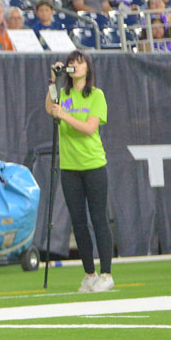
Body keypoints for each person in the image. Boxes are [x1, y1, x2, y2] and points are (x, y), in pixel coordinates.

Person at [43, 51, 114, 293]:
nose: (75, 66)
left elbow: (89, 128)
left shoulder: (96, 95)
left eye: (79, 62)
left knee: (99, 218)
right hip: (69, 167)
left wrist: (65, 115)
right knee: (78, 221)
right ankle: (89, 273)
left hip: (93, 164)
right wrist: (53, 80)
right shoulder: (63, 94)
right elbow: (49, 107)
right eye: (71, 62)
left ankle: (106, 273)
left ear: (88, 68)